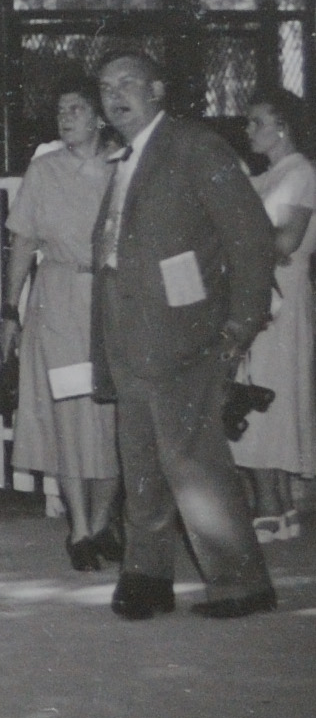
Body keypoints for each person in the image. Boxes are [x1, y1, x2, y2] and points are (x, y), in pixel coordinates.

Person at [91, 50, 279, 619]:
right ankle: (147, 577)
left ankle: (241, 584)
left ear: (158, 89)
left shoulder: (194, 146)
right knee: (141, 461)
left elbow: (251, 236)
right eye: (106, 88)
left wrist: (242, 322)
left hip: (185, 334)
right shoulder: (126, 158)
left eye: (128, 83)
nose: (115, 96)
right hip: (130, 335)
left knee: (193, 460)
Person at [0, 78, 123, 570]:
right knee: (69, 415)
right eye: (60, 109)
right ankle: (81, 530)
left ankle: (106, 519)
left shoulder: (122, 167)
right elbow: (23, 242)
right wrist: (9, 308)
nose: (65, 117)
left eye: (76, 109)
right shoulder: (44, 170)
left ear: (99, 117)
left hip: (111, 301)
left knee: (111, 418)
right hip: (59, 300)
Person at [234, 90, 316, 541]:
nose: (248, 131)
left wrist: (243, 232)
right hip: (264, 291)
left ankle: (268, 506)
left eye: (256, 122)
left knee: (267, 393)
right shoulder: (267, 177)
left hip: (283, 299)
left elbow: (285, 242)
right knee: (262, 391)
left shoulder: (300, 172)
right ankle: (280, 508)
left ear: (282, 126)